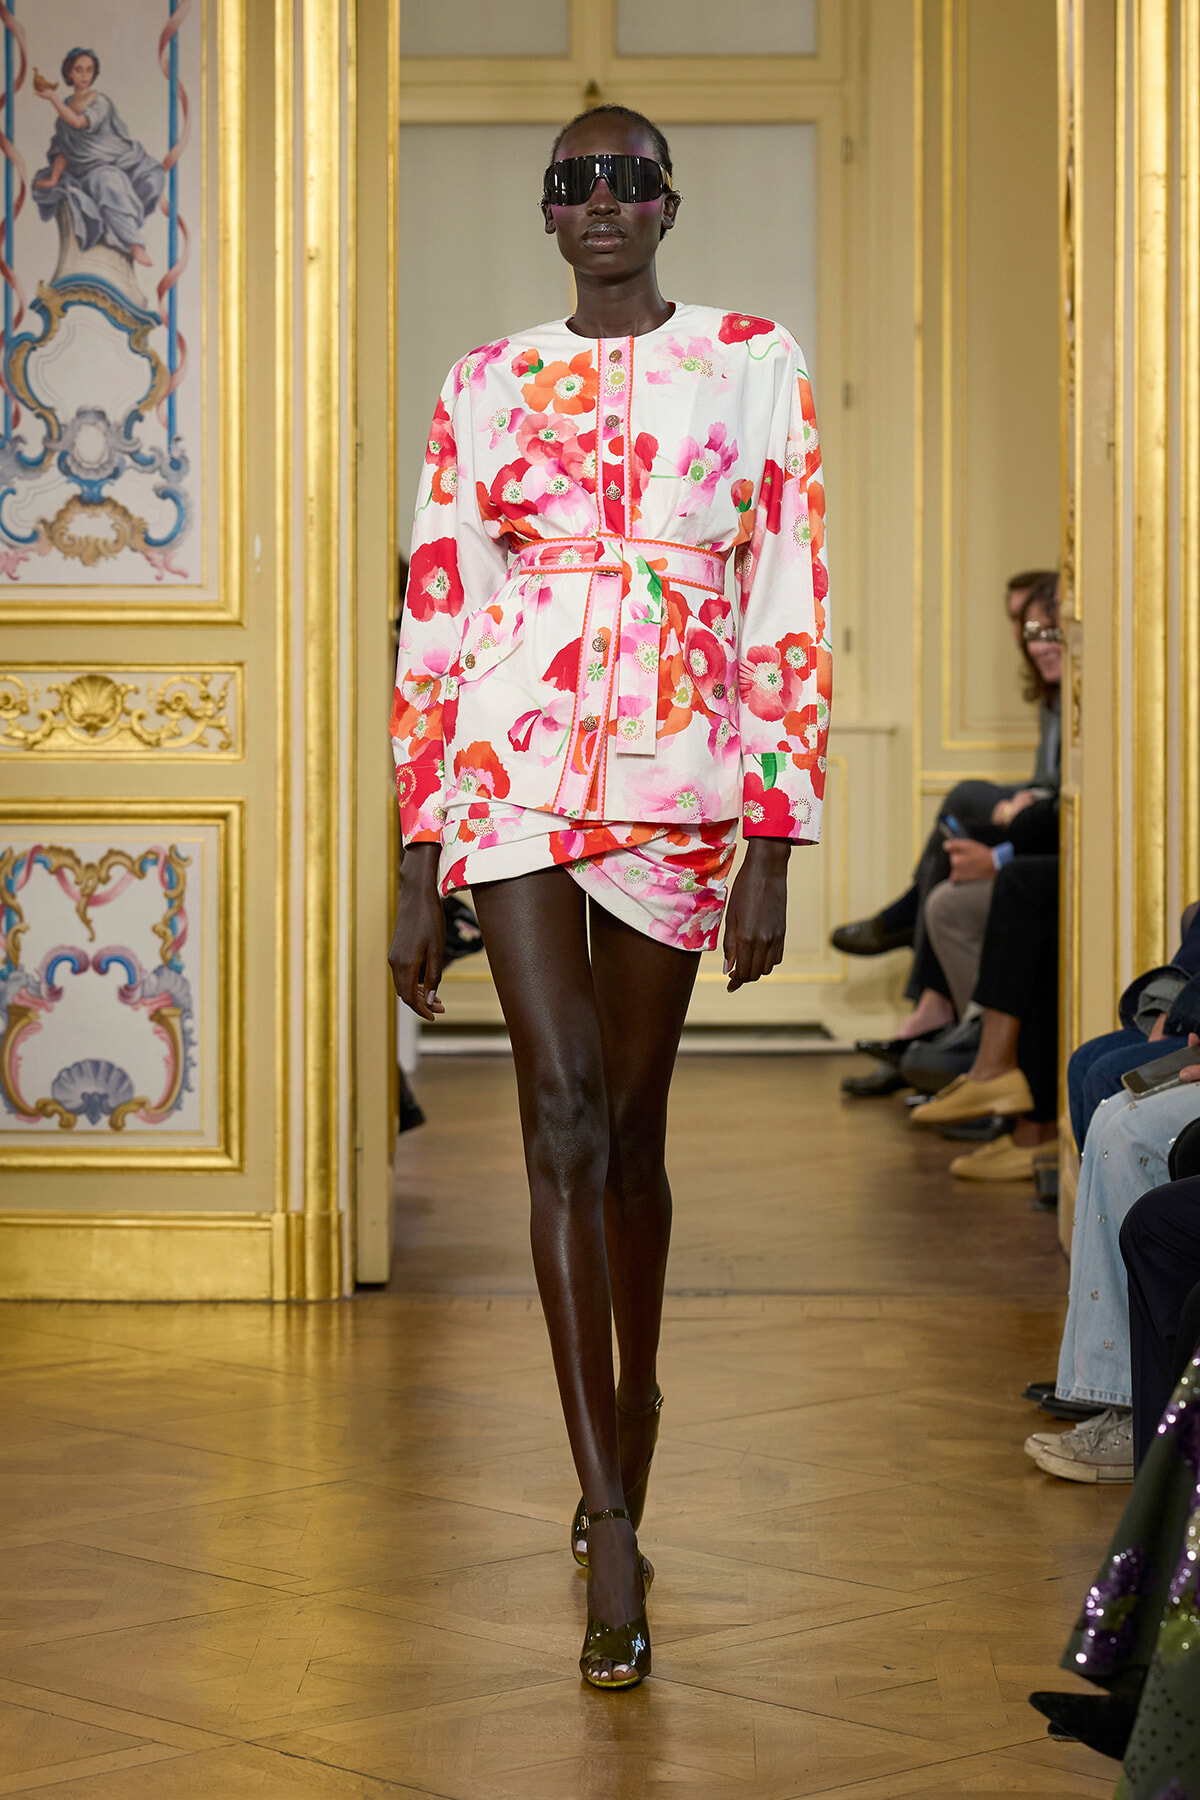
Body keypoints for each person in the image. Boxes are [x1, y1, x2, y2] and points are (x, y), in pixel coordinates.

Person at [387, 106, 830, 1691]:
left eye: (627, 177)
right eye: (573, 182)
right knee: (559, 1119)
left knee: (632, 1135)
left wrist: (777, 830)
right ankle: (611, 1510)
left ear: (669, 201)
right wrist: (413, 852)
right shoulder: (482, 383)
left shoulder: (753, 360)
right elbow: (441, 606)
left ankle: (632, 1407)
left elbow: (789, 582)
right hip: (507, 769)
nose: (600, 202)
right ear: (545, 211)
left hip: (684, 771)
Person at [841, 573, 1060, 1097]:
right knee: (954, 839)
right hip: (1041, 827)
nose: (1031, 640)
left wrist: (1010, 839)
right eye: (1025, 627)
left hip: (1048, 834)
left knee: (963, 802)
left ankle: (932, 1001)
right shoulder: (1051, 697)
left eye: (1045, 629)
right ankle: (940, 1028)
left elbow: (1063, 796)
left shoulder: (1078, 694)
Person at [33, 48, 164, 270]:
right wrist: (54, 179)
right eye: (78, 69)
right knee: (103, 182)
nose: (84, 75)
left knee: (111, 181)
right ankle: (128, 240)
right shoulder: (64, 107)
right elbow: (65, 149)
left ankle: (135, 243)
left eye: (89, 70)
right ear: (69, 73)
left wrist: (52, 98)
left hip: (114, 161)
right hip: (85, 170)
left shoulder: (99, 102)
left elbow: (78, 122)